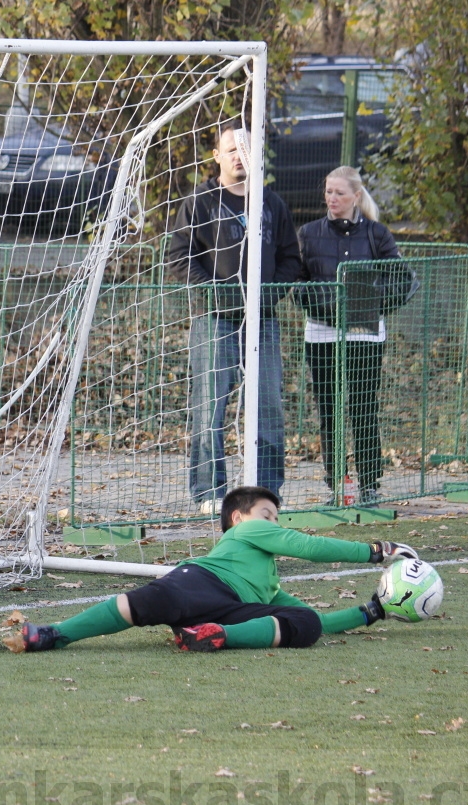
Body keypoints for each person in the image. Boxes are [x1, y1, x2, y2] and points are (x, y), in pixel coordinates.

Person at [7, 486, 416, 654]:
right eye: (267, 514)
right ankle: (55, 634)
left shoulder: (268, 584)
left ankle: (213, 637)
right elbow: (306, 545)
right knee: (149, 602)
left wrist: (372, 612)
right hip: (203, 583)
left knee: (304, 621)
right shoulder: (246, 534)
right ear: (240, 519)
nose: (274, 523)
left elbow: (320, 622)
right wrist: (377, 551)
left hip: (229, 612)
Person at [168, 120, 302, 514]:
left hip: (263, 323)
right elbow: (178, 256)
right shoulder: (200, 201)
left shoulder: (271, 202)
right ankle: (209, 492)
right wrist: (215, 290)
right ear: (217, 157)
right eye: (231, 150)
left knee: (268, 408)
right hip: (215, 321)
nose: (239, 158)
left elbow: (291, 259)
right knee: (210, 407)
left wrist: (270, 292)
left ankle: (267, 493)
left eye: (245, 150)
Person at [296, 166, 404, 505]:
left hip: (365, 336)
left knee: (362, 408)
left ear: (356, 196)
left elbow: (400, 279)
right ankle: (336, 485)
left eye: (339, 193)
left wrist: (369, 307)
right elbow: (297, 283)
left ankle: (370, 484)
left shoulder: (377, 234)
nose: (332, 199)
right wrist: (324, 308)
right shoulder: (309, 233)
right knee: (329, 411)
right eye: (328, 192)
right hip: (322, 336)